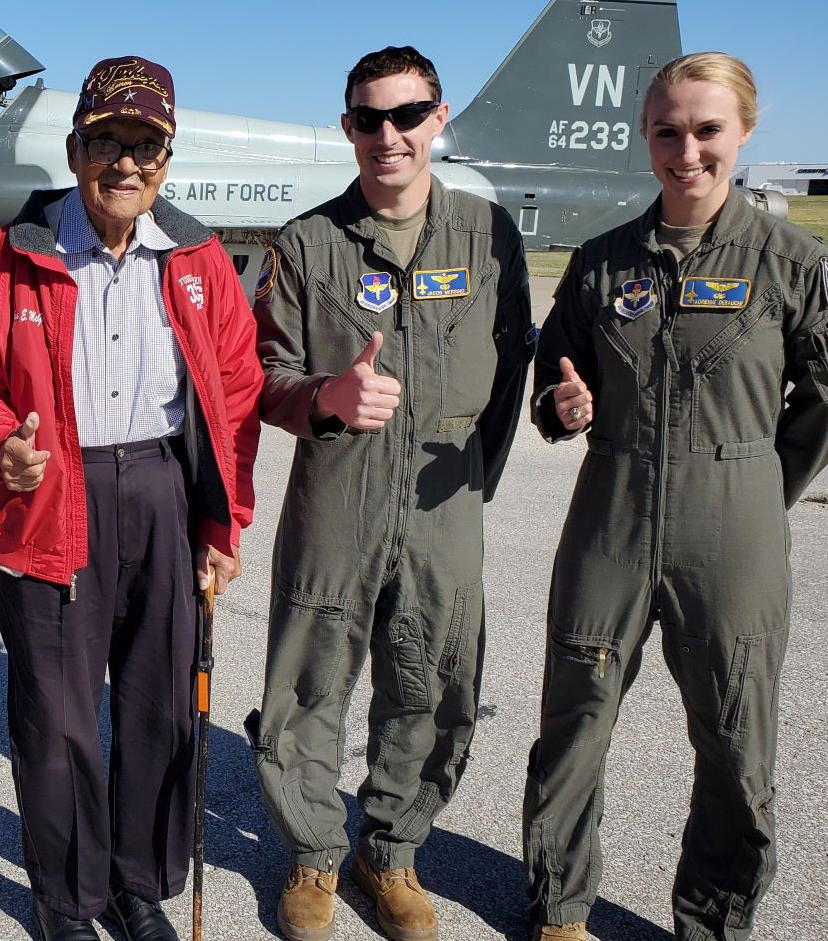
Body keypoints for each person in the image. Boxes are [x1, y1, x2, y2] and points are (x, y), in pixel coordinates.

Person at [521, 51, 828, 941]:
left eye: (707, 130)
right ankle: (560, 907)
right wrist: (563, 409)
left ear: (743, 133)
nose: (687, 151)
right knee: (575, 718)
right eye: (668, 131)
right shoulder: (603, 264)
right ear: (645, 137)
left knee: (734, 737)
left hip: (735, 526)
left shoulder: (796, 263)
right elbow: (555, 383)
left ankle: (712, 918)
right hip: (611, 515)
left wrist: (754, 488)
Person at [0, 56, 260, 941]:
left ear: (167, 158)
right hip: (48, 497)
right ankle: (67, 900)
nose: (125, 162)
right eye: (106, 140)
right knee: (58, 715)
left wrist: (223, 520)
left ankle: (138, 887)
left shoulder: (197, 260)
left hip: (161, 494)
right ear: (75, 149)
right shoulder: (11, 257)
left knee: (156, 708)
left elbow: (233, 398)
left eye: (145, 145)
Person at [245, 45, 533, 941]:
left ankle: (393, 851)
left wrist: (472, 474)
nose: (389, 135)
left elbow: (511, 368)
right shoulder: (307, 242)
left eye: (407, 115)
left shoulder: (489, 235)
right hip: (339, 487)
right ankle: (313, 854)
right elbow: (258, 375)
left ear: (438, 119)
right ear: (348, 129)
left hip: (445, 492)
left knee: (435, 680)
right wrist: (323, 398)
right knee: (309, 679)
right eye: (369, 119)